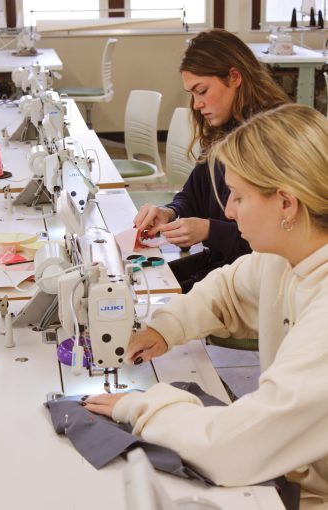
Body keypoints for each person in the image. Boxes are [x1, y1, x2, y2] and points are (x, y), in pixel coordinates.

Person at [83, 104, 328, 509]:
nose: (229, 211)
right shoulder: (288, 255)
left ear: (287, 203)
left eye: (239, 196)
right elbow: (228, 290)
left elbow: (235, 448)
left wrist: (141, 406)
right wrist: (163, 329)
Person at [134, 29, 289, 293]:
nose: (196, 105)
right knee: (140, 286)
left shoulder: (272, 139)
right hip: (221, 263)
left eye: (202, 91)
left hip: (252, 277)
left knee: (149, 303)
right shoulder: (226, 129)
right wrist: (169, 212)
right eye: (192, 94)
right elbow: (194, 192)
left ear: (235, 77)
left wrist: (209, 230)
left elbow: (274, 242)